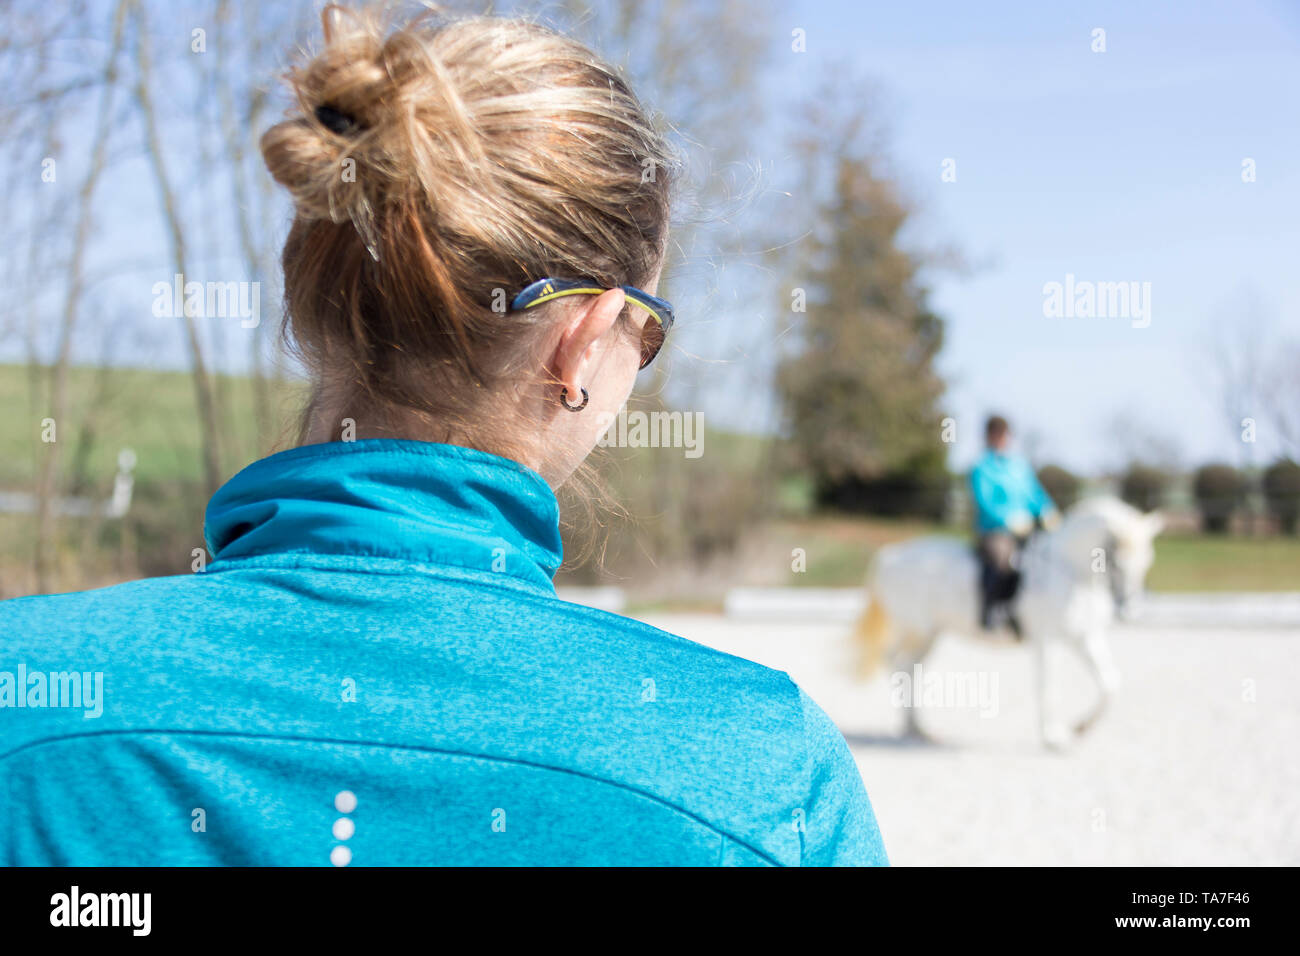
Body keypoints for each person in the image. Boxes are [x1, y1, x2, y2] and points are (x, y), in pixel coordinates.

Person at [0, 5, 886, 867]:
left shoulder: (26, 691)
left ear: (312, 307)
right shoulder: (765, 772)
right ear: (582, 343)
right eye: (644, 333)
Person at [969, 415, 1058, 635]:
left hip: (1028, 528)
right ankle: (993, 609)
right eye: (997, 435)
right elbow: (985, 501)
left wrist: (1047, 510)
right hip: (995, 530)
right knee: (1004, 559)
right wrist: (1008, 520)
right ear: (988, 437)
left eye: (1004, 435)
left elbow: (1033, 493)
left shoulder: (1018, 466)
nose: (1001, 439)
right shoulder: (981, 467)